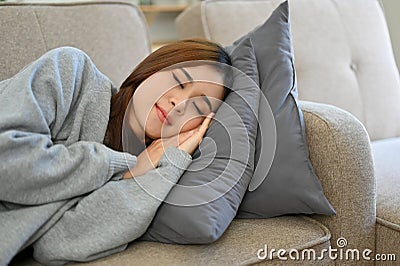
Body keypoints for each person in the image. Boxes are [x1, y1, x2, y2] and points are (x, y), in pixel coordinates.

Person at [0, 38, 232, 265]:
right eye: (179, 82)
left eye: (197, 107)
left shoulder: (148, 172)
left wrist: (162, 168)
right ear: (153, 68)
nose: (178, 104)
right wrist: (122, 166)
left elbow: (58, 244)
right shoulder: (71, 70)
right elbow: (7, 162)